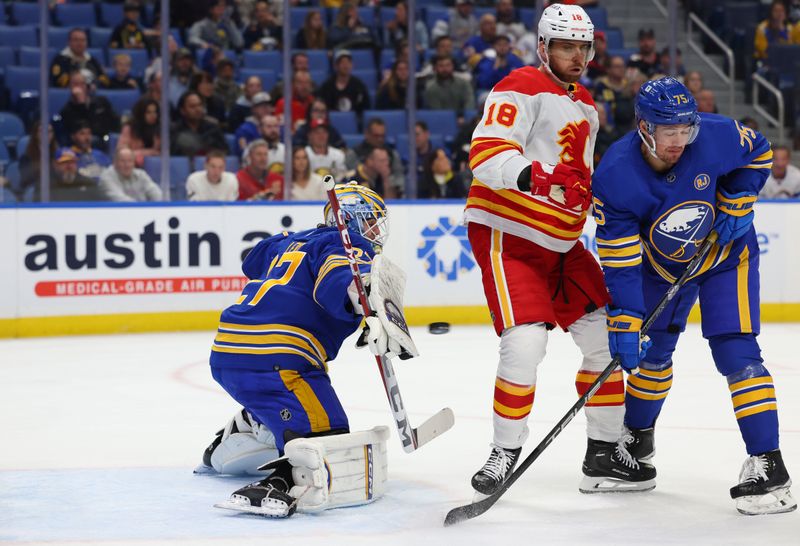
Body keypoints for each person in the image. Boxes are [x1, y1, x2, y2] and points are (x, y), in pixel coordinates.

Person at [463, 3, 655, 498]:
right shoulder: (518, 86)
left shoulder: (587, 104)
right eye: (565, 45)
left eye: (582, 47)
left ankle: (604, 452)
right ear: (544, 47)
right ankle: (504, 450)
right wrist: (537, 176)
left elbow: (576, 176)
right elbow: (485, 156)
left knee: (606, 342)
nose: (575, 55)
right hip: (511, 236)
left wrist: (591, 199)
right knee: (526, 344)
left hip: (563, 245)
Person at [591, 76, 796, 515]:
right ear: (644, 127)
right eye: (670, 132)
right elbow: (621, 256)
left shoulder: (715, 133)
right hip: (663, 271)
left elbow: (758, 150)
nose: (680, 141)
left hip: (726, 256)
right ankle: (637, 443)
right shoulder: (614, 174)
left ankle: (770, 467)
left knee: (737, 351)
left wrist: (741, 196)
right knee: (651, 353)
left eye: (687, 130)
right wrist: (626, 313)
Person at [196, 183, 406, 518]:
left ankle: (249, 426)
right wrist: (364, 299)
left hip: (229, 350)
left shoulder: (291, 240)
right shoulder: (348, 244)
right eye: (370, 221)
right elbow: (337, 281)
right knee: (327, 438)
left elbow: (253, 261)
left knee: (298, 413)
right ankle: (279, 480)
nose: (374, 231)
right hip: (279, 357)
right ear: (352, 219)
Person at [59, 71, 121, 141]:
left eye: (82, 83)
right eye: (76, 84)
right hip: (83, 144)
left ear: (87, 85)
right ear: (70, 87)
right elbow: (84, 130)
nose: (79, 87)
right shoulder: (67, 111)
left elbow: (115, 122)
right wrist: (81, 105)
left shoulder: (102, 101)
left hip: (105, 141)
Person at [171, 91, 229, 157]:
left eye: (200, 105)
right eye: (192, 106)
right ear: (183, 111)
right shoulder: (174, 130)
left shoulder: (213, 129)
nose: (198, 109)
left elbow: (225, 152)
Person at [38, 148, 106, 202]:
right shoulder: (46, 186)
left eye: (72, 162)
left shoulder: (88, 183)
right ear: (55, 165)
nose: (69, 166)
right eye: (64, 162)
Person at [317, 50, 371, 119]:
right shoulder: (326, 86)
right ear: (335, 66)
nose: (346, 65)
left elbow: (365, 109)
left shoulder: (359, 86)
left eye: (348, 62)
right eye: (342, 62)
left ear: (352, 65)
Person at [99, 147, 163, 202]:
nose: (127, 165)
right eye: (123, 161)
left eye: (130, 161)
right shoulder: (106, 177)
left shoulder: (141, 174)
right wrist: (142, 208)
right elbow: (120, 200)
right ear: (115, 162)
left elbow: (156, 193)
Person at [117, 98, 161, 167]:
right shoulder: (129, 129)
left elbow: (162, 154)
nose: (153, 115)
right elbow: (122, 153)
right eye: (148, 112)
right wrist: (150, 152)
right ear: (141, 113)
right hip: (132, 166)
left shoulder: (161, 130)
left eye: (155, 112)